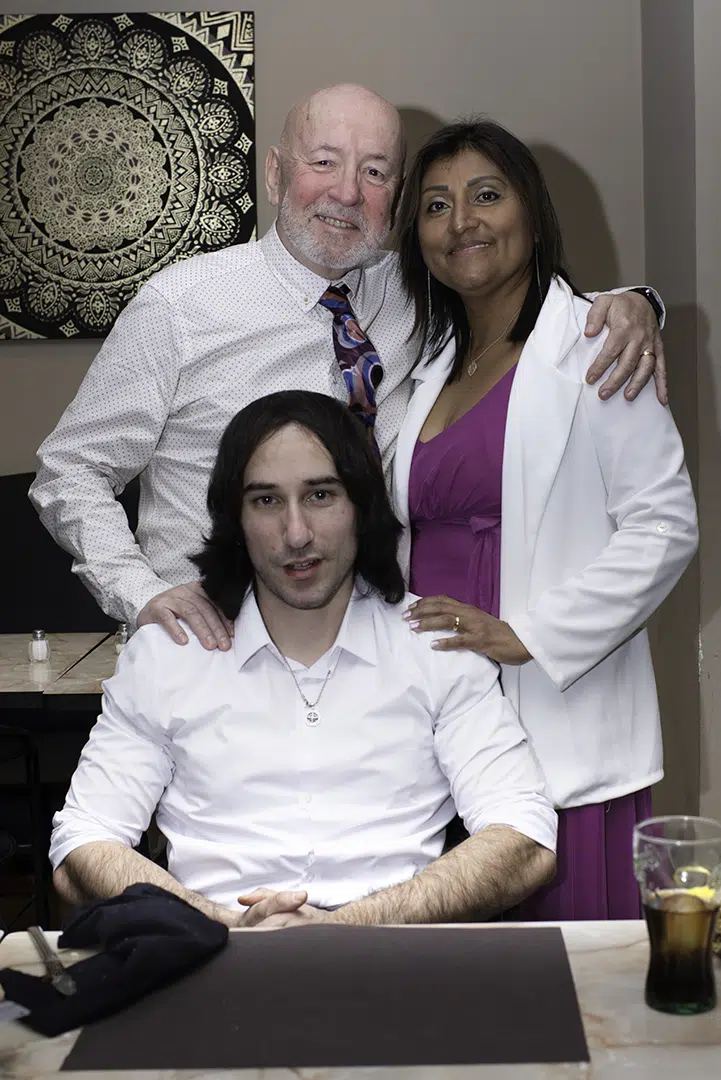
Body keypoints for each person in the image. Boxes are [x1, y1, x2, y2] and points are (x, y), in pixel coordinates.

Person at [29, 83, 665, 652]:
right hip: (215, 649)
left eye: (376, 172)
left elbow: (510, 291)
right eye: (324, 162)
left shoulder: (415, 293)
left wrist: (638, 306)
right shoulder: (179, 306)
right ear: (276, 175)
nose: (346, 193)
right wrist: (138, 592)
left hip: (377, 654)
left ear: (398, 197)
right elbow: (70, 469)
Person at [50, 391, 557, 928]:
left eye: (320, 495)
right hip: (205, 954)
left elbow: (525, 839)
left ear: (362, 507)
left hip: (390, 960)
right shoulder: (168, 654)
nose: (296, 534)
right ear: (236, 520)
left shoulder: (436, 648)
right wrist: (219, 926)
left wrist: (342, 930)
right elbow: (83, 842)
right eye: (266, 501)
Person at [391, 118, 698, 921]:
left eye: (485, 195)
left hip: (555, 711)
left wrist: (527, 633)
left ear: (530, 212)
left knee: (564, 991)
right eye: (434, 204)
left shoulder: (597, 339)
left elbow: (663, 525)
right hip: (439, 715)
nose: (461, 221)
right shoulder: (427, 367)